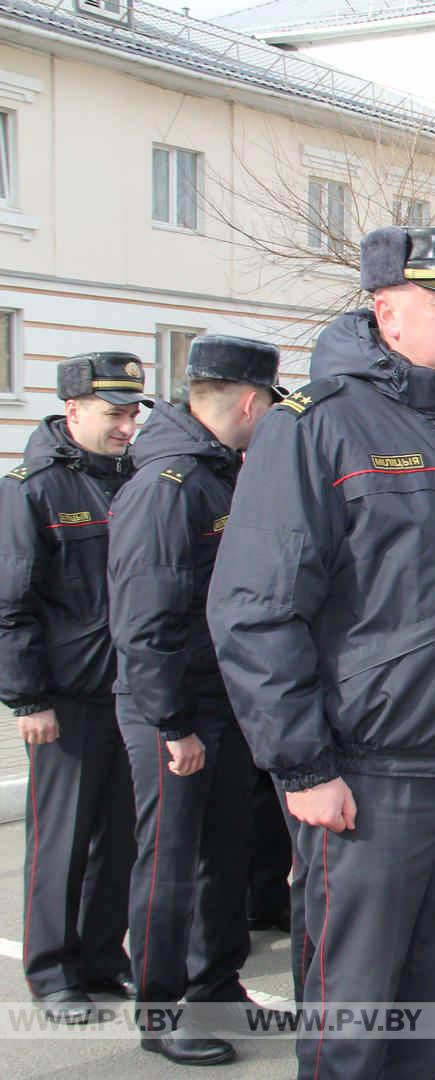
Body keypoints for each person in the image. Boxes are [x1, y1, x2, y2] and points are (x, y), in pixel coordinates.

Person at [207, 225, 435, 1079]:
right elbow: (255, 610)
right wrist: (303, 766)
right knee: (353, 1023)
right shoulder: (318, 428)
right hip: (368, 778)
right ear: (386, 310)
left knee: (427, 1011)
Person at [108, 336, 285, 1064]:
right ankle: (159, 1011)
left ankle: (217, 990)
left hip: (222, 702)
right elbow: (143, 620)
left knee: (224, 855)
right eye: (270, 405)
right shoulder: (169, 484)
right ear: (249, 402)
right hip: (173, 709)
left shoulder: (219, 474)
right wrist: (172, 722)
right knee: (169, 862)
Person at [1, 353, 146, 1024]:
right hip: (65, 696)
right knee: (61, 839)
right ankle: (52, 969)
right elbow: (11, 603)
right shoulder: (33, 489)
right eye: (115, 414)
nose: (126, 427)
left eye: (133, 413)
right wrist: (26, 699)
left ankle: (99, 955)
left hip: (128, 691)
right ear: (74, 411)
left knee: (118, 836)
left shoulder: (132, 480)